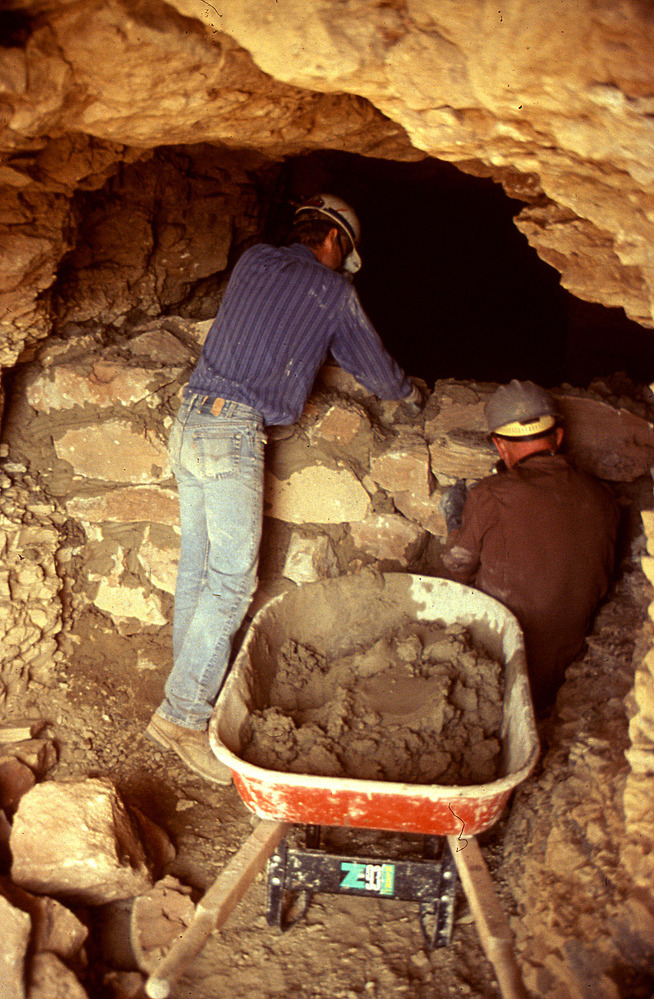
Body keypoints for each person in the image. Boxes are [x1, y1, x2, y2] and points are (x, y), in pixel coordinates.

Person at [146, 193, 424, 783]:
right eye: (343, 253)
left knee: (197, 568)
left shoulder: (252, 262)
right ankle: (182, 716)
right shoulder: (335, 292)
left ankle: (188, 690)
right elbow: (377, 371)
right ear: (335, 242)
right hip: (233, 432)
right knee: (229, 582)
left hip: (191, 420)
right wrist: (411, 394)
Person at [441, 379, 619, 714]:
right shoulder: (603, 498)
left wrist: (456, 523)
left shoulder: (491, 494)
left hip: (504, 654)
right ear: (559, 436)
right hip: (568, 655)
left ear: (499, 446)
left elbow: (457, 569)